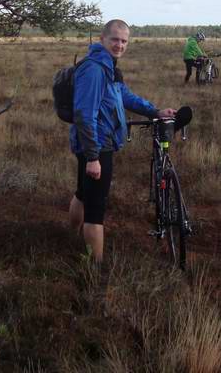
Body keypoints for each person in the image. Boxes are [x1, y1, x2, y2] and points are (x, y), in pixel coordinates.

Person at [68, 19, 176, 263]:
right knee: (95, 211)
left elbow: (124, 95)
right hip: (97, 144)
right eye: (115, 39)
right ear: (102, 39)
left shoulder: (109, 67)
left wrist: (155, 111)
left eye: (124, 41)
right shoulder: (94, 69)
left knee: (83, 193)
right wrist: (93, 157)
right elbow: (84, 115)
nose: (120, 45)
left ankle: (72, 236)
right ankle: (95, 270)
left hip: (95, 143)